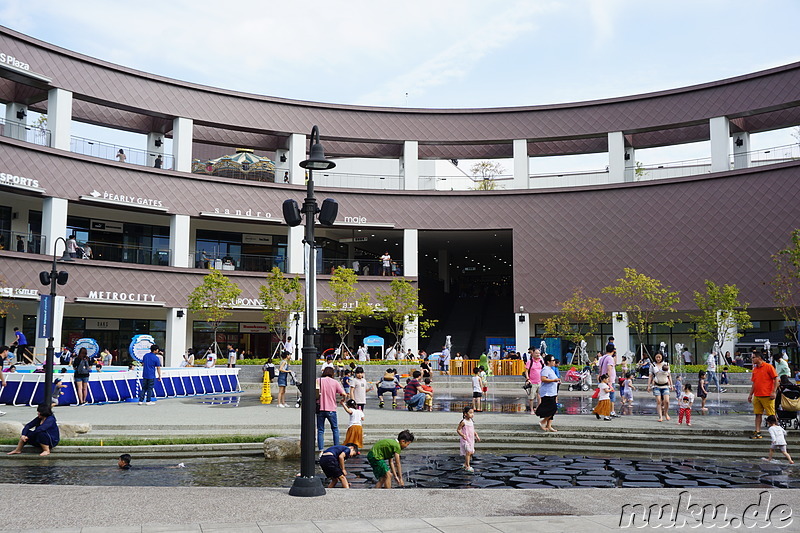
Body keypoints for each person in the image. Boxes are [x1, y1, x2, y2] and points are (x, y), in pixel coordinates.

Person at [748, 351, 779, 440]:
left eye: (754, 357)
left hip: (767, 395)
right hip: (757, 395)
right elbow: (754, 383)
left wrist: (773, 391)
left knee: (771, 415)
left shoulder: (768, 367)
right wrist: (750, 394)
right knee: (758, 414)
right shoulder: (755, 369)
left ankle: (776, 432)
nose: (752, 359)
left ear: (759, 358)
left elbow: (776, 379)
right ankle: (757, 432)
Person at [317, 366, 347, 451]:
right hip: (331, 409)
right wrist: (343, 400)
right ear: (332, 373)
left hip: (320, 408)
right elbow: (344, 393)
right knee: (335, 429)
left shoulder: (318, 380)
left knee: (320, 430)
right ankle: (336, 449)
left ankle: (321, 450)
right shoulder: (335, 382)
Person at [536, 354, 561, 432]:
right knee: (553, 408)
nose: (554, 362)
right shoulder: (546, 369)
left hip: (552, 392)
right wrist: (554, 380)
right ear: (548, 361)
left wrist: (557, 381)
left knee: (552, 408)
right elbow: (543, 379)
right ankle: (543, 422)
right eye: (553, 360)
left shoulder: (551, 369)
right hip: (547, 393)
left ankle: (549, 425)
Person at [648, 353, 673, 422]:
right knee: (658, 401)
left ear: (662, 357)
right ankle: (660, 416)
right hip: (656, 385)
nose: (658, 359)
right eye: (656, 357)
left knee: (667, 401)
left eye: (659, 357)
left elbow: (669, 375)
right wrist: (648, 386)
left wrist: (671, 384)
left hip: (665, 385)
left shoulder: (666, 364)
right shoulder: (652, 365)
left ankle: (666, 413)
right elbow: (650, 376)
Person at [457, 406, 480, 472]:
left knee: (471, 452)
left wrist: (476, 435)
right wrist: (462, 435)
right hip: (465, 439)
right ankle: (468, 466)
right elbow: (458, 430)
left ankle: (465, 463)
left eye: (473, 413)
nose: (472, 414)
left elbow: (472, 430)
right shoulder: (463, 422)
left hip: (471, 439)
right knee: (468, 452)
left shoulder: (471, 421)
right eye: (470, 413)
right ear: (465, 414)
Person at [597, 348, 618, 417]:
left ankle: (600, 411)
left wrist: (600, 377)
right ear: (613, 351)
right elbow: (609, 369)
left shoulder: (602, 358)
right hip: (609, 381)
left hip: (603, 379)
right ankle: (611, 412)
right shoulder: (610, 358)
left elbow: (600, 369)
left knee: (603, 397)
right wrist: (609, 380)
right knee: (611, 397)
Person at [525, 347, 544, 413]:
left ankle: (538, 408)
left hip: (540, 381)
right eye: (536, 353)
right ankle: (532, 409)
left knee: (540, 396)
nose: (538, 354)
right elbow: (526, 371)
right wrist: (528, 379)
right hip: (532, 382)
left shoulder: (541, 362)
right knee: (531, 397)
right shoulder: (530, 362)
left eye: (539, 353)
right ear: (532, 354)